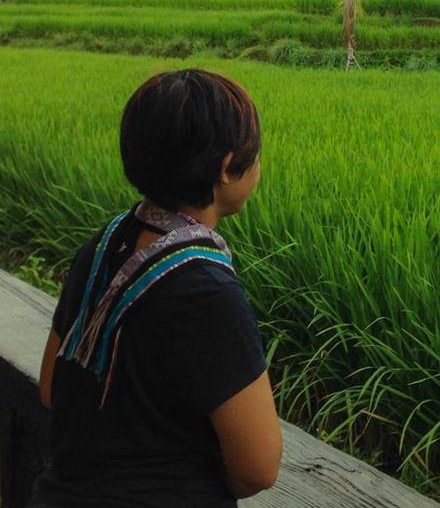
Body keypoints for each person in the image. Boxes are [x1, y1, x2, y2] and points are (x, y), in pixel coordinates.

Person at [30, 69, 283, 507]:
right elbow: (258, 467)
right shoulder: (207, 292)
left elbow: (53, 386)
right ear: (226, 168)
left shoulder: (106, 245)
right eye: (254, 154)